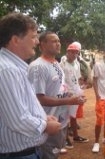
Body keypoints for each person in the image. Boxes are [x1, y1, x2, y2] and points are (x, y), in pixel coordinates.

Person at [0, 13, 61, 159]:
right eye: (33, 37)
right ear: (15, 40)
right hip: (19, 154)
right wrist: (45, 125)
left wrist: (44, 118)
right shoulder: (8, 70)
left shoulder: (15, 67)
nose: (36, 41)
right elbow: (18, 120)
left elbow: (24, 106)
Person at [28, 31, 85, 159]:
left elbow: (60, 88)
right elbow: (39, 99)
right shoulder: (38, 67)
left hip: (60, 121)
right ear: (42, 45)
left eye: (58, 41)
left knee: (55, 153)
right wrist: (68, 101)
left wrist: (71, 94)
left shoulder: (56, 64)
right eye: (54, 41)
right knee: (47, 155)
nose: (58, 44)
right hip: (46, 124)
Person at [60, 42, 89, 149]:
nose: (74, 54)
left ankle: (75, 136)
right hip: (67, 94)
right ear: (67, 52)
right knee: (66, 117)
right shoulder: (62, 64)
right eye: (72, 52)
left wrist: (82, 84)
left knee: (73, 115)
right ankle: (65, 139)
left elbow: (77, 78)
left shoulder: (76, 64)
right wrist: (67, 92)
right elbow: (61, 81)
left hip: (76, 91)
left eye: (76, 52)